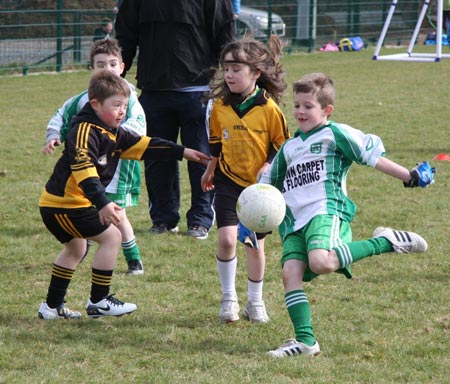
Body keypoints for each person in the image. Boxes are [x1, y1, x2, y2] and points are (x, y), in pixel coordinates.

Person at [259, 72, 435, 357]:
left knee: (321, 261)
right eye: (297, 105)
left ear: (326, 110)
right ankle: (305, 342)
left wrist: (409, 175)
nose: (300, 112)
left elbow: (371, 157)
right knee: (290, 273)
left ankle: (386, 242)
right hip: (293, 222)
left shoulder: (334, 134)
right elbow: (269, 186)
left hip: (324, 211)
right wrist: (253, 220)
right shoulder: (289, 147)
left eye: (307, 106)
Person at [38, 71, 211, 320]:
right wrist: (103, 203)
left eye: (124, 105)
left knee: (76, 249)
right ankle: (99, 300)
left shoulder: (111, 131)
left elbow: (144, 145)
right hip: (64, 204)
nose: (122, 111)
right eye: (116, 105)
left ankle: (52, 307)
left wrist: (183, 151)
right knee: (112, 238)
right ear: (95, 104)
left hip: (68, 204)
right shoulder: (85, 130)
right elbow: (84, 171)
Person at [115, 0, 235, 240]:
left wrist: (234, 78)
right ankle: (163, 219)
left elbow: (225, 35)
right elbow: (125, 37)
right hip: (153, 90)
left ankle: (201, 220)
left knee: (203, 157)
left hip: (199, 93)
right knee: (158, 157)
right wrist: (114, 79)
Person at [201, 35, 290, 324]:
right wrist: (210, 168)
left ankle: (255, 302)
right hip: (227, 180)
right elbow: (216, 144)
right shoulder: (220, 107)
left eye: (236, 69)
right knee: (227, 239)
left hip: (258, 190)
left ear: (256, 73)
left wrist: (267, 165)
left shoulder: (269, 109)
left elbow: (281, 145)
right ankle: (228, 298)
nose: (229, 75)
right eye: (226, 69)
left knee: (253, 245)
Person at [43, 38, 146, 275]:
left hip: (118, 168)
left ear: (122, 67)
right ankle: (83, 246)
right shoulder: (84, 98)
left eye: (112, 64)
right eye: (101, 65)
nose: (107, 69)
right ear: (92, 70)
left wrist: (109, 140)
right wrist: (53, 135)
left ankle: (133, 258)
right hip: (90, 168)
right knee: (90, 208)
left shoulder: (129, 96)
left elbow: (139, 127)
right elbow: (61, 114)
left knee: (117, 212)